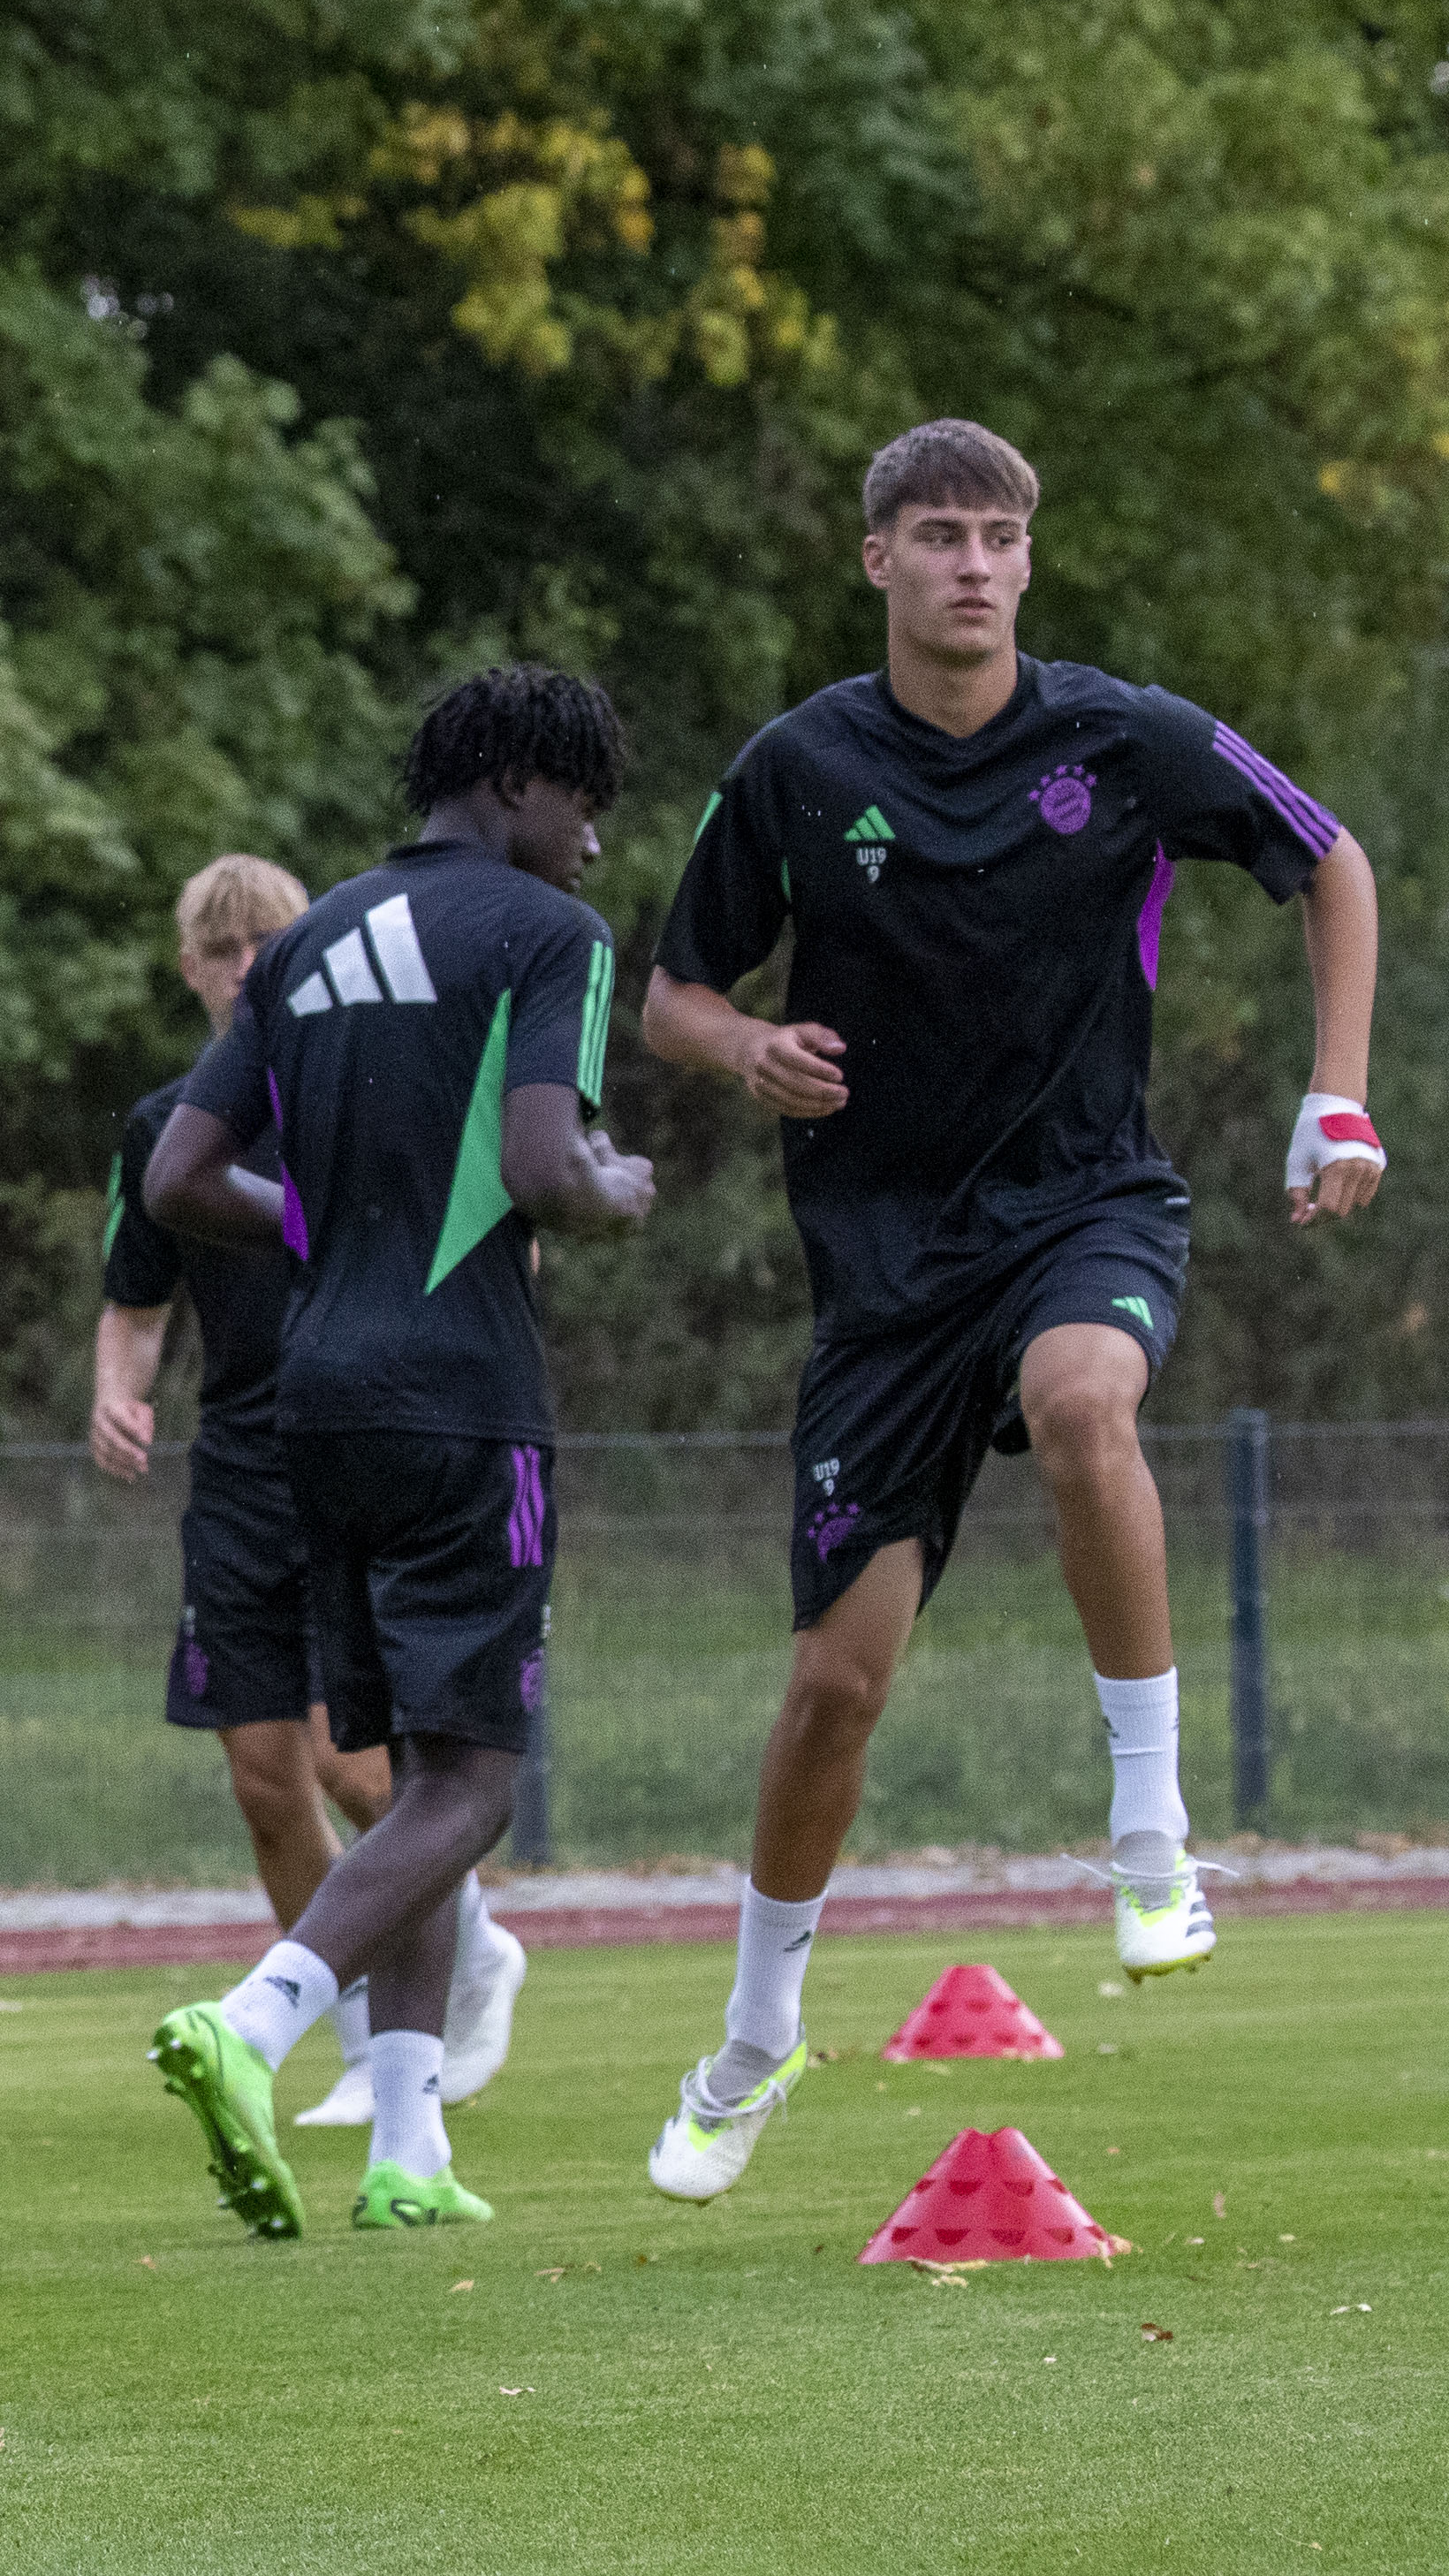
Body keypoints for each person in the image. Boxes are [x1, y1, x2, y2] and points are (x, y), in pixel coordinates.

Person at [633, 421, 1386, 2201]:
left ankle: (1151, 1842)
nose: (972, 563)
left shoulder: (1122, 738)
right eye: (938, 536)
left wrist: (1336, 1093)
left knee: (1082, 1406)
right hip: (885, 1273)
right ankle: (749, 2045)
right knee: (835, 1689)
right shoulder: (800, 767)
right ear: (876, 559)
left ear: (1029, 563)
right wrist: (743, 1046)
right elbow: (670, 989)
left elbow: (1328, 856)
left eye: (998, 537)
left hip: (1084, 1202)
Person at [138, 667, 658, 2236]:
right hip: (460, 1397)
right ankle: (257, 2019)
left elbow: (178, 1173)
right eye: (582, 804)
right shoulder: (544, 934)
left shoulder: (301, 942)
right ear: (512, 784)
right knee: (474, 1784)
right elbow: (537, 1162)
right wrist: (611, 1184)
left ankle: (408, 2148)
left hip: (308, 1401)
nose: (590, 844)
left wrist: (319, 1226)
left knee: (413, 1770)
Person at [92, 857, 521, 2131]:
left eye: (262, 943)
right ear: (189, 968)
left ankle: (459, 1954)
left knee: (355, 1761)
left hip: (361, 1450)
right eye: (217, 948)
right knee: (263, 1776)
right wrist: (117, 1392)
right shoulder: (166, 1125)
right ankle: (347, 2034)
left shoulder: (369, 1093)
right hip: (237, 1468)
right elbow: (133, 1305)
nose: (240, 965)